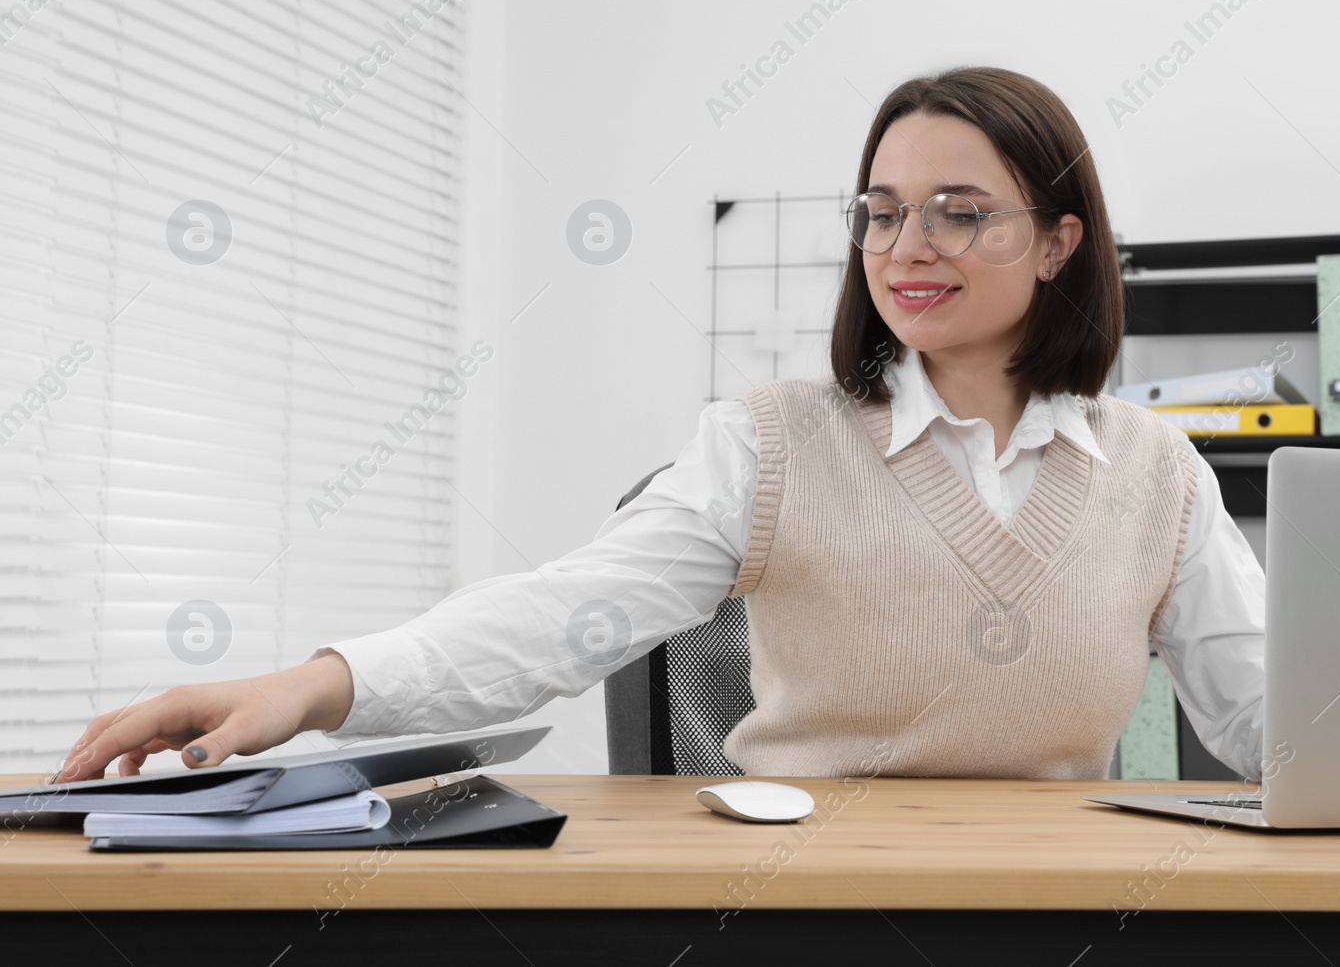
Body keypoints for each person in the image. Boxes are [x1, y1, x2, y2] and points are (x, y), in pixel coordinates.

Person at [54, 66, 1264, 785]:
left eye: (960, 211)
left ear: (1059, 242)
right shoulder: (772, 442)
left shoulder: (1156, 473)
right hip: (800, 908)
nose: (908, 246)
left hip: (1063, 912)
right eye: (883, 211)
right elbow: (560, 616)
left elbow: (1263, 713)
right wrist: (314, 686)